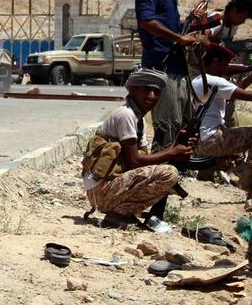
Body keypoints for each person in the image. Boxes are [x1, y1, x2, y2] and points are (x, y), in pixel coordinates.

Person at [82, 68, 193, 229]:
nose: (152, 96)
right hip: (101, 191)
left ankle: (122, 213)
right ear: (132, 90)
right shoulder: (126, 115)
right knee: (168, 173)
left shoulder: (137, 119)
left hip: (107, 188)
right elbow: (135, 161)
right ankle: (117, 214)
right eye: (146, 90)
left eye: (156, 92)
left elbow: (145, 162)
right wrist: (172, 152)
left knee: (165, 171)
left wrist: (178, 146)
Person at [191, 43, 252, 198]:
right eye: (225, 64)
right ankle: (250, 185)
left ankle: (206, 178)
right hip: (213, 138)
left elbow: (233, 92)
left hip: (202, 140)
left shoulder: (200, 80)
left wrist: (250, 78)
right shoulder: (214, 81)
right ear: (215, 61)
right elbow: (244, 95)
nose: (227, 68)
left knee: (234, 144)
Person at [135, 0, 199, 151]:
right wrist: (178, 38)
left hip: (176, 64)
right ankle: (163, 172)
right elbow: (147, 21)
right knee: (167, 124)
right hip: (160, 66)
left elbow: (169, 23)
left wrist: (191, 23)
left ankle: (178, 169)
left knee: (184, 120)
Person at [205, 0, 252, 127]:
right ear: (234, 10)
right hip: (201, 72)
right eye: (242, 16)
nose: (242, 21)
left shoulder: (232, 26)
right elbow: (203, 39)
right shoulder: (217, 20)